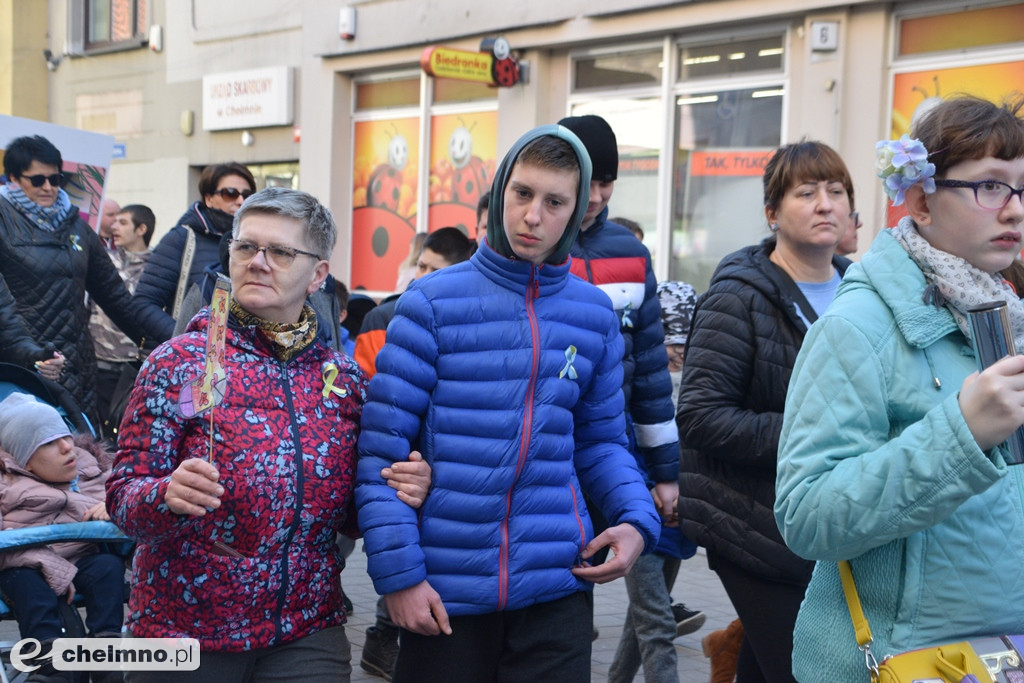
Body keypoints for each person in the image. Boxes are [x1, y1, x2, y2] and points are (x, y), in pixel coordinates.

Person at [356, 124, 661, 683]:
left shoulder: (593, 315)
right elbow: (381, 454)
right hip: (445, 593)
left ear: (576, 212)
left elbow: (602, 443)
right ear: (500, 192)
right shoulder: (430, 302)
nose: (533, 216)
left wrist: (637, 519)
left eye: (554, 202)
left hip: (557, 587)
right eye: (522, 194)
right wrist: (399, 578)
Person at [106, 187, 431, 682]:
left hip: (306, 629)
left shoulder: (343, 381)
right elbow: (122, 498)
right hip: (186, 631)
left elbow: (353, 513)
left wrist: (404, 487)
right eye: (245, 247)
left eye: (279, 251)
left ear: (319, 273)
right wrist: (164, 494)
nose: (257, 262)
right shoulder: (182, 363)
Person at [775, 96, 1024, 682]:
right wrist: (961, 434)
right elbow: (806, 514)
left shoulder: (1007, 315)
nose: (1013, 210)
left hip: (1001, 657)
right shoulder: (855, 327)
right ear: (920, 200)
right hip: (899, 661)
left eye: (1022, 189)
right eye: (991, 187)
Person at [676, 140, 854, 682]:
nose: (825, 204)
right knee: (806, 667)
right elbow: (701, 416)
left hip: (828, 518)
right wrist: (817, 433)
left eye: (837, 190)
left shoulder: (861, 290)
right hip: (754, 524)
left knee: (773, 664)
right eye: (807, 192)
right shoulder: (739, 295)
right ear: (773, 213)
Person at [557, 115, 702, 629]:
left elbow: (649, 379)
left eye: (605, 181)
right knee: (557, 597)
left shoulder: (632, 255)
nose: (594, 194)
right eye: (584, 178)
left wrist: (665, 473)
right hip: (542, 452)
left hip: (609, 449)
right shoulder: (529, 248)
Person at [0, 134, 151, 426]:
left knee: (86, 459)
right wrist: (31, 356)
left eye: (55, 179)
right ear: (14, 179)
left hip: (78, 368)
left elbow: (116, 298)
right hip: (21, 369)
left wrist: (164, 341)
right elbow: (2, 311)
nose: (48, 187)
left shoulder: (78, 227)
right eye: (38, 179)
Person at [608, 279, 703, 683]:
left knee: (646, 618)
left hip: (679, 518)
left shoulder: (701, 387)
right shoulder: (633, 388)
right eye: (670, 348)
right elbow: (618, 446)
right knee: (658, 624)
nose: (676, 359)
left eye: (684, 349)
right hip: (641, 515)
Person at [0, 392, 126, 683]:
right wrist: (50, 567)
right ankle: (49, 665)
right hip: (24, 564)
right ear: (24, 461)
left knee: (108, 566)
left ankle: (105, 654)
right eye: (49, 443)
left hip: (80, 557)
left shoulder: (92, 471)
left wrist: (114, 508)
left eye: (65, 435)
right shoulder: (7, 488)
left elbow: (126, 501)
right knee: (29, 587)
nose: (66, 446)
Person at [133, 162, 257, 344]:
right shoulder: (182, 238)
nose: (240, 201)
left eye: (247, 195)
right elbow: (143, 303)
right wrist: (185, 340)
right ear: (209, 198)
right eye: (230, 193)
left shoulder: (258, 244)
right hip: (190, 358)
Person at [353, 227, 475, 380]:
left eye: (435, 271)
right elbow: (365, 387)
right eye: (422, 266)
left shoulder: (472, 322)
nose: (423, 276)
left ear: (457, 276)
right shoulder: (382, 318)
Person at [89, 204, 155, 438]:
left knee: (127, 433)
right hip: (99, 363)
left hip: (134, 367)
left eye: (123, 222)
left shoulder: (158, 267)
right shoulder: (103, 260)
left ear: (141, 229)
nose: (114, 227)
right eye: (114, 221)